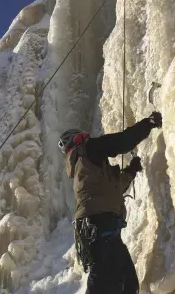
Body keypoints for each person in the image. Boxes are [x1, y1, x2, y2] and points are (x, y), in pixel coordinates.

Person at [58, 112, 162, 294]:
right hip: (99, 226)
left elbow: (111, 189)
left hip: (98, 227)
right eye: (83, 137)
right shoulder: (87, 149)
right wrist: (148, 123)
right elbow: (121, 142)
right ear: (77, 141)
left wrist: (131, 171)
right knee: (105, 280)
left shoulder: (83, 169)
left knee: (127, 281)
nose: (88, 138)